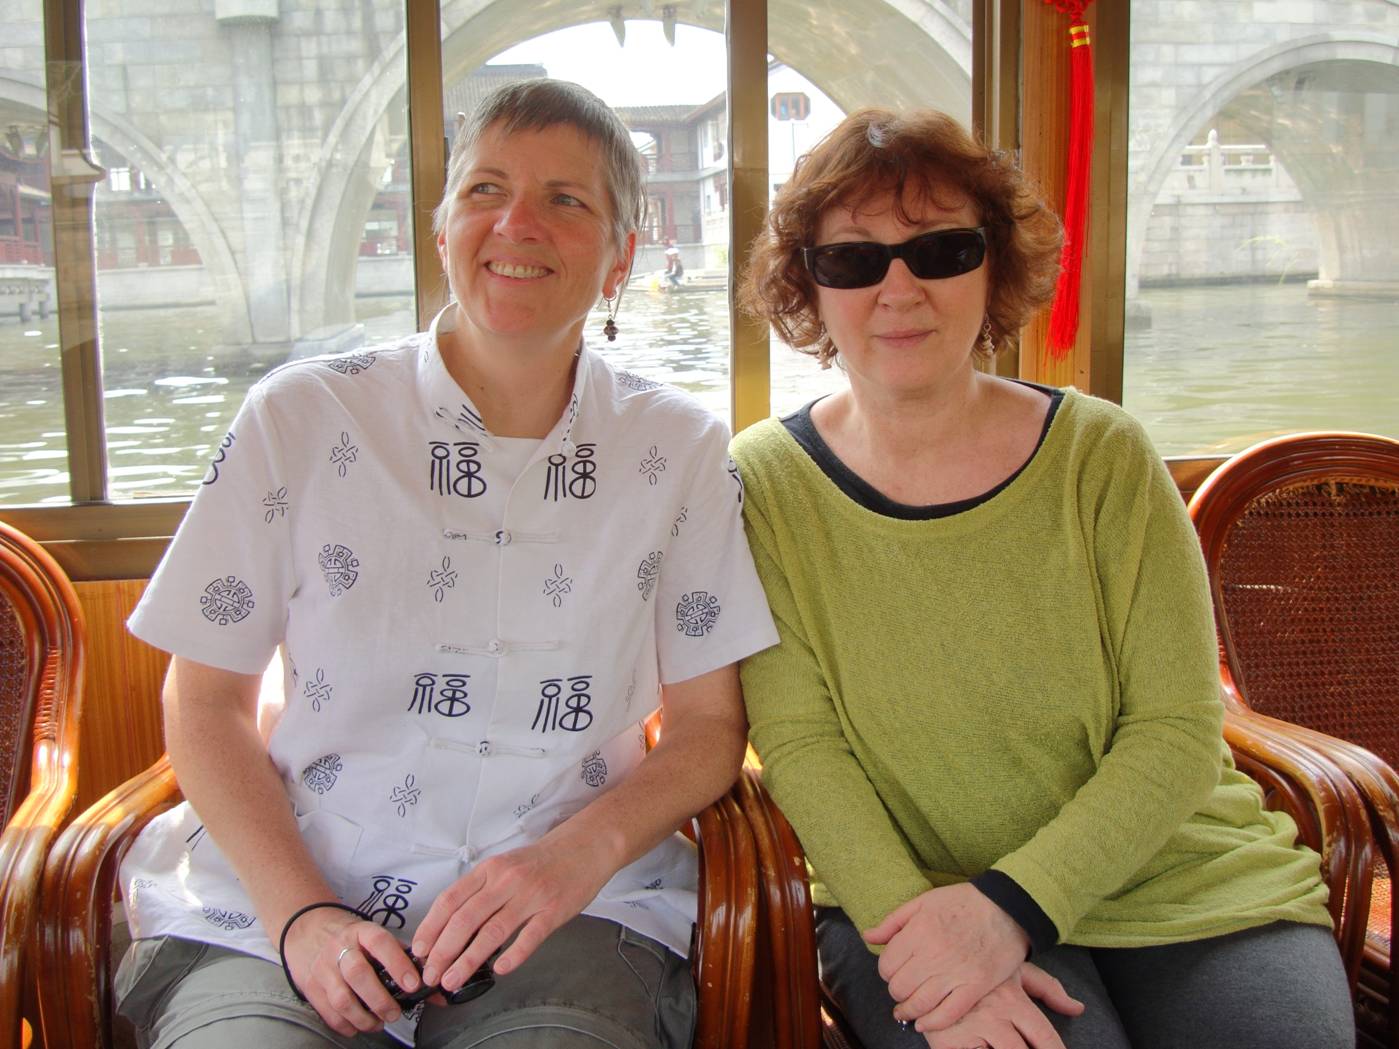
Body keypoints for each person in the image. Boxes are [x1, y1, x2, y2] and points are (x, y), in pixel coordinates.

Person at [113, 79, 778, 1049]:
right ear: (440, 230)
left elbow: (708, 726)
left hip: (573, 909)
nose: (517, 222)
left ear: (621, 257)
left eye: (566, 199)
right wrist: (303, 915)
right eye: (484, 189)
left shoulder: (675, 449)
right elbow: (205, 698)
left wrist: (570, 858)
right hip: (290, 894)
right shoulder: (301, 418)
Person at [732, 107, 1353, 1049]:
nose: (898, 288)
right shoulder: (766, 485)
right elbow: (802, 747)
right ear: (807, 287)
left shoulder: (1101, 454)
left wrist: (1012, 906)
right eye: (853, 260)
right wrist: (929, 934)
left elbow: (1176, 728)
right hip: (916, 891)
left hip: (1179, 870)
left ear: (994, 267)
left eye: (940, 250)